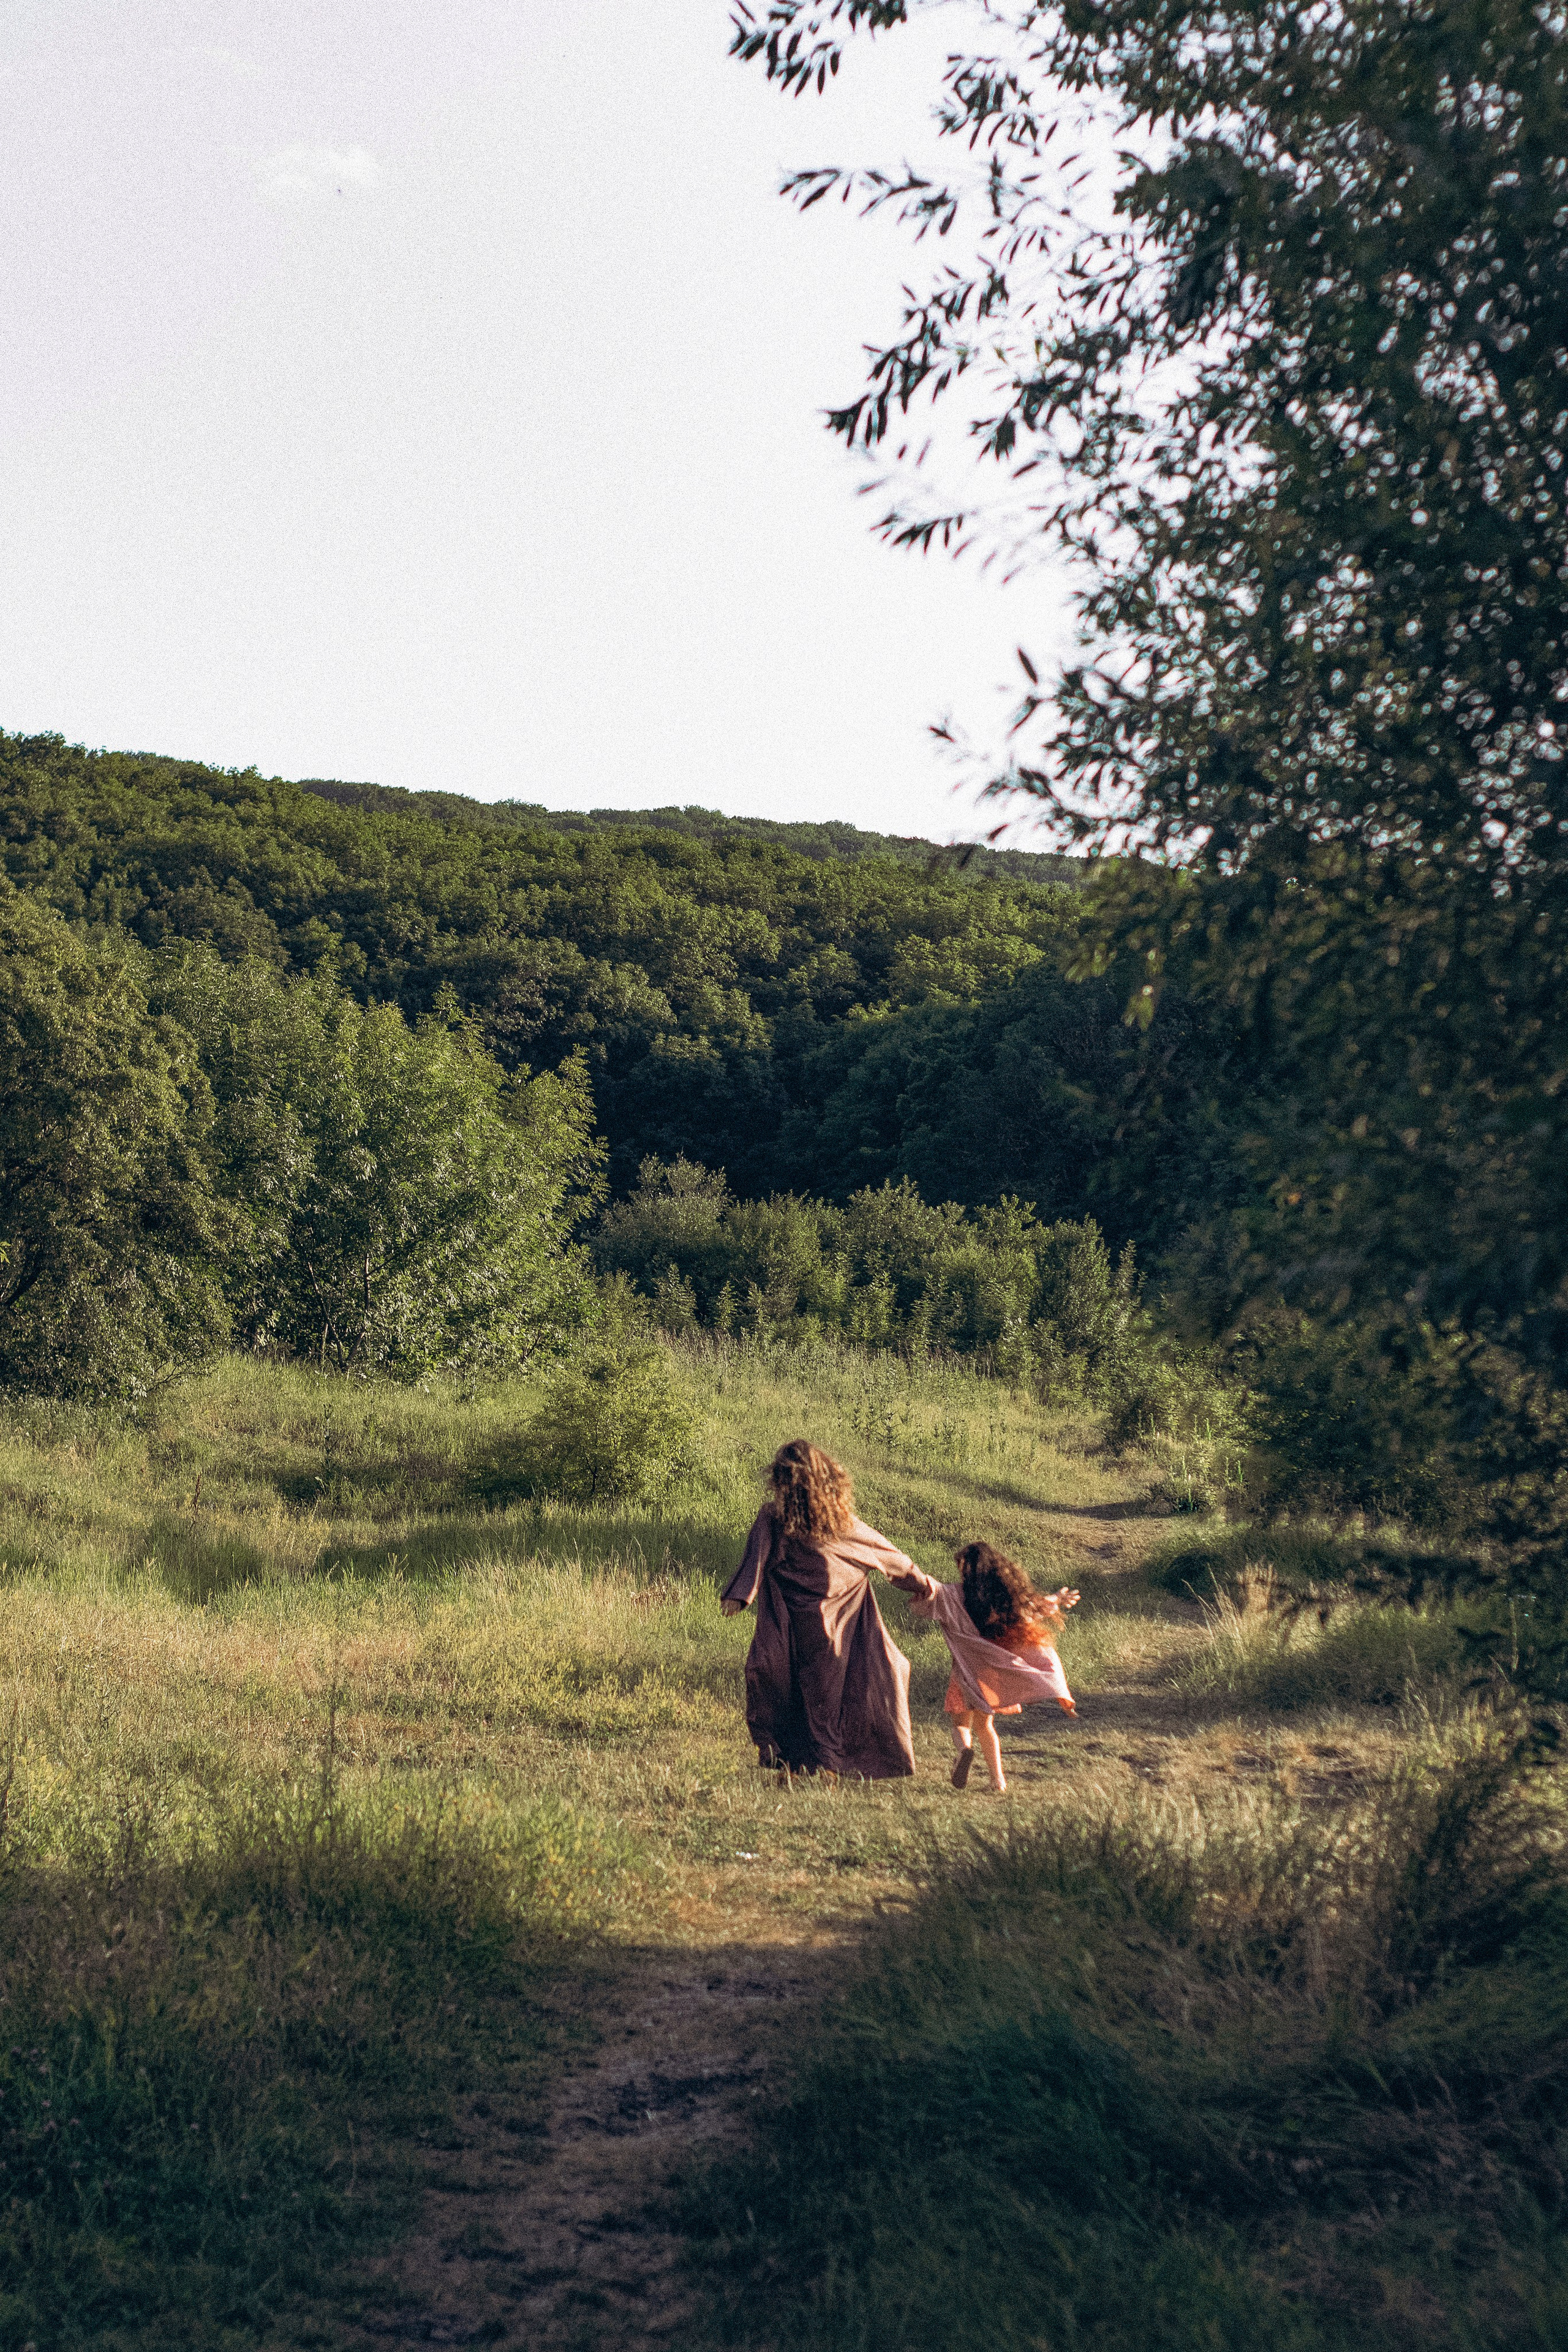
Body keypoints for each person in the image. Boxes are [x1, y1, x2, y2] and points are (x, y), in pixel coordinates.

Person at [720, 1439, 918, 1779]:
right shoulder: (802, 1521)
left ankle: (823, 1765)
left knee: (807, 1695)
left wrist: (740, 1596)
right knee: (797, 1688)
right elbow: (890, 1558)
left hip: (812, 1626)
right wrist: (740, 1595)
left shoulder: (821, 1524)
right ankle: (801, 1764)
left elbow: (890, 1558)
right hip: (810, 1627)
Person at [887, 1540, 1079, 1793]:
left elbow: (929, 1594)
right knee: (986, 1726)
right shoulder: (1005, 1600)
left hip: (965, 1673)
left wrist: (908, 1574)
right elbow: (1033, 1607)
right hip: (991, 1676)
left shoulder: (953, 1595)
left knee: (960, 1723)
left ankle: (964, 1751)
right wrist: (1058, 1598)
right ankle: (998, 1780)